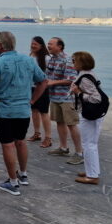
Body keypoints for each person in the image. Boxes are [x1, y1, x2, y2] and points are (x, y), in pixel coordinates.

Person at [0, 31, 47, 196]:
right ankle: (23, 174)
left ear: (0, 45)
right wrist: (32, 100)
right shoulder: (28, 60)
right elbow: (43, 81)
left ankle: (12, 182)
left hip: (4, 110)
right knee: (21, 141)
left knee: (7, 144)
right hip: (23, 110)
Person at [46, 37, 84, 165]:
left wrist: (52, 82)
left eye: (51, 44)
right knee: (59, 122)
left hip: (67, 98)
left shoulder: (68, 60)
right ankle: (63, 148)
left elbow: (71, 80)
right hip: (54, 97)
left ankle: (79, 153)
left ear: (60, 46)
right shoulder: (52, 59)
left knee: (72, 124)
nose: (48, 46)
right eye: (48, 44)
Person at [70, 51, 104, 185]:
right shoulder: (89, 74)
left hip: (90, 114)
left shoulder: (84, 78)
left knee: (88, 144)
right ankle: (92, 171)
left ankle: (92, 176)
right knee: (91, 144)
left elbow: (96, 98)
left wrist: (78, 93)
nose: (72, 63)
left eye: (74, 61)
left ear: (81, 62)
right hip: (94, 114)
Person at [27, 36, 52, 147]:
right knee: (34, 111)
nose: (33, 46)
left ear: (41, 46)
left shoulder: (47, 58)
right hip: (32, 87)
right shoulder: (31, 56)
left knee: (44, 112)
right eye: (32, 44)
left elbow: (50, 74)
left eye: (35, 44)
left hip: (43, 88)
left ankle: (48, 138)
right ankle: (37, 133)